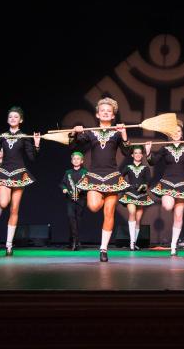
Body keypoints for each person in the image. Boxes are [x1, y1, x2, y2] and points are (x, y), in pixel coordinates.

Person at [70, 97, 131, 262]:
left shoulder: (117, 133)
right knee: (94, 206)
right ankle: (103, 197)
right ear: (97, 114)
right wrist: (76, 132)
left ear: (113, 116)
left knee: (109, 212)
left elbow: (127, 152)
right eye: (102, 110)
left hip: (112, 177)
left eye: (109, 111)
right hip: (95, 176)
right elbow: (74, 145)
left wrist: (124, 134)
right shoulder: (90, 132)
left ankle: (103, 249)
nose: (105, 112)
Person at [0, 106, 41, 256]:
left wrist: (36, 144)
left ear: (21, 120)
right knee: (3, 203)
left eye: (16, 117)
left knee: (14, 209)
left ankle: (9, 245)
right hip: (4, 173)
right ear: (7, 119)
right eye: (10, 117)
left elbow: (32, 158)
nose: (13, 119)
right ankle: (4, 241)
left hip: (19, 173)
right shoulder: (2, 136)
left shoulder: (24, 137)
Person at [147, 121, 184, 256]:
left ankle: (173, 246)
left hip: (182, 184)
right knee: (167, 206)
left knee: (178, 216)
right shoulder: (165, 149)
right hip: (167, 182)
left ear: (182, 134)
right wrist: (148, 151)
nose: (176, 134)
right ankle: (173, 244)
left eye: (178, 131)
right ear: (169, 135)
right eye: (173, 132)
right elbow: (152, 161)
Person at [118, 146, 154, 251]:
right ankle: (131, 243)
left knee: (138, 219)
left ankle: (134, 242)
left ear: (142, 155)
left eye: (139, 153)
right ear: (132, 155)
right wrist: (126, 186)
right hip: (130, 193)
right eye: (135, 153)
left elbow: (149, 181)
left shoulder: (146, 168)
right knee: (132, 212)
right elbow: (120, 178)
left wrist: (145, 186)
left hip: (142, 195)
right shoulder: (128, 167)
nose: (137, 154)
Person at [60, 151, 87, 251]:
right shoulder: (68, 173)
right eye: (74, 159)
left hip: (81, 199)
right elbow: (62, 183)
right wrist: (64, 188)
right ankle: (74, 240)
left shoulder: (85, 173)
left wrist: (82, 189)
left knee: (78, 219)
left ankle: (75, 240)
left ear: (82, 161)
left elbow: (88, 185)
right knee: (71, 217)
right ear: (71, 161)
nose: (76, 160)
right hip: (70, 199)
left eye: (78, 159)